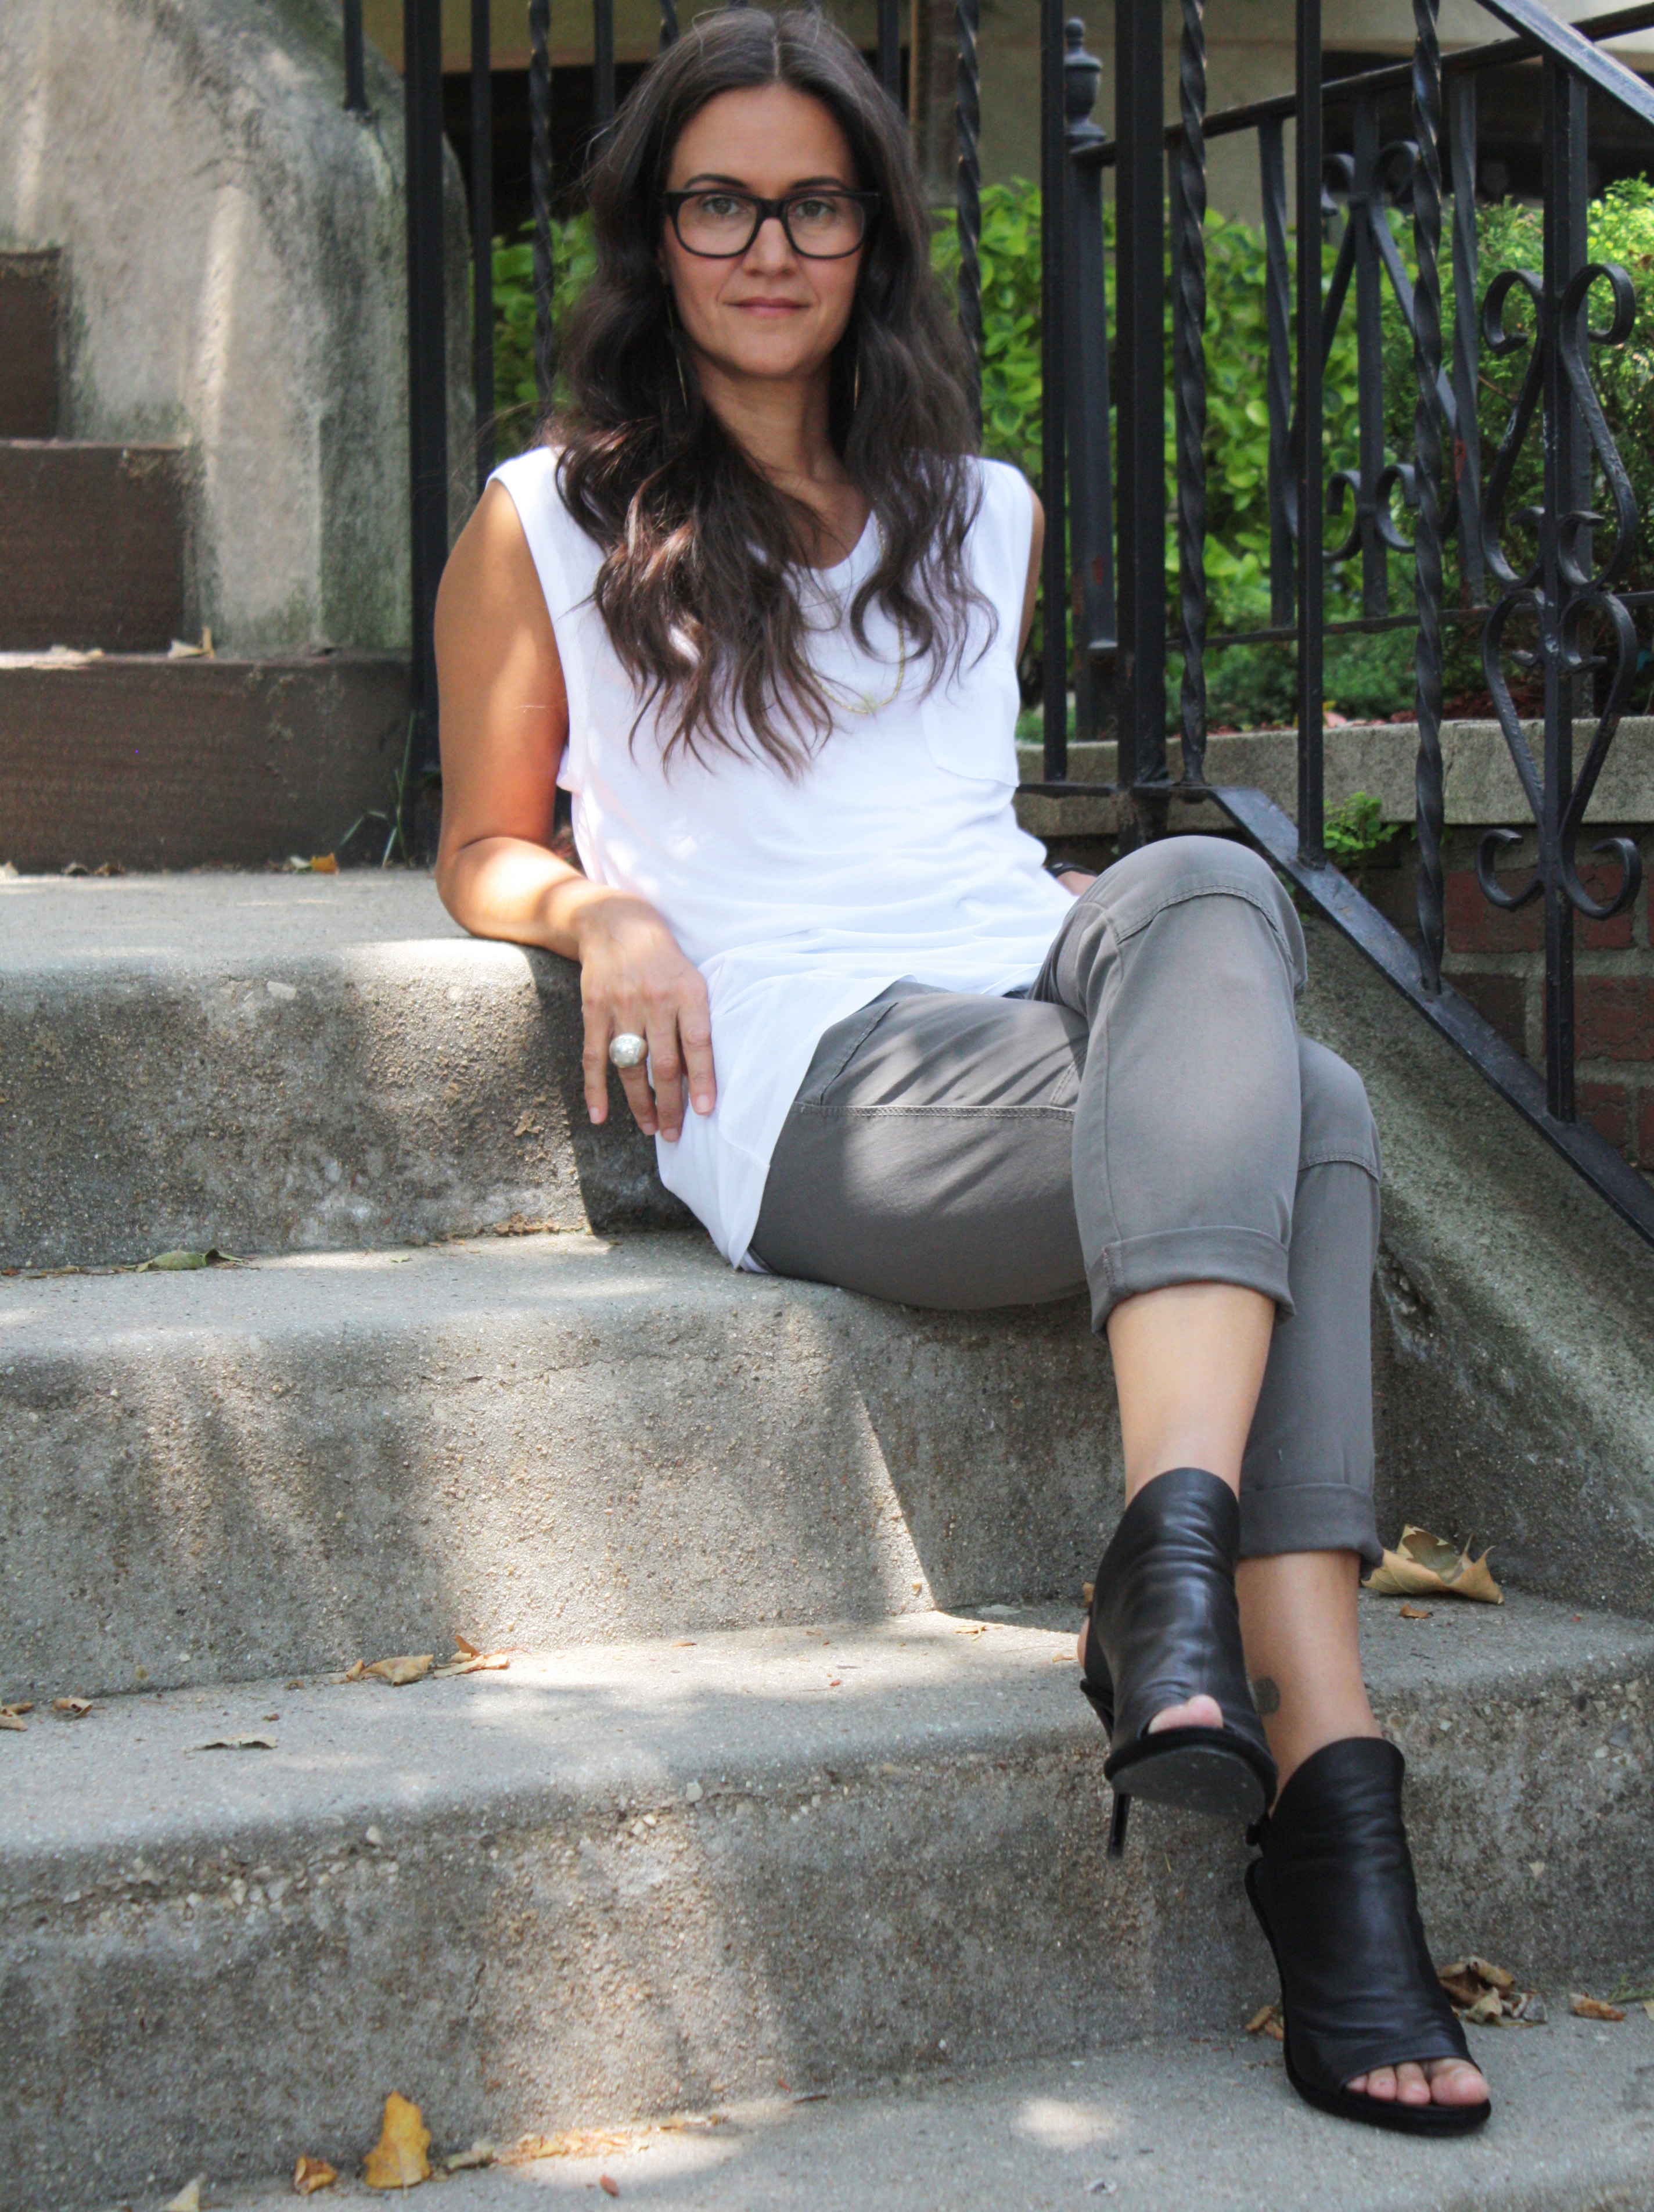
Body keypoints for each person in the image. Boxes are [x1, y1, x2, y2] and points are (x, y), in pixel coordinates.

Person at [433, 4, 1490, 2134]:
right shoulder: (546, 518)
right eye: (720, 202)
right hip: (814, 1070)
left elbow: (957, 832)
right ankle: (1326, 1793)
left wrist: (1108, 941)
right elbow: (478, 845)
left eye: (814, 204)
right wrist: (602, 916)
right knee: (1325, 1112)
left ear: (874, 237)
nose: (769, 246)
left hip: (1022, 980)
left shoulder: (977, 511)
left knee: (1205, 880)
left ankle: (1171, 1573)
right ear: (656, 232)